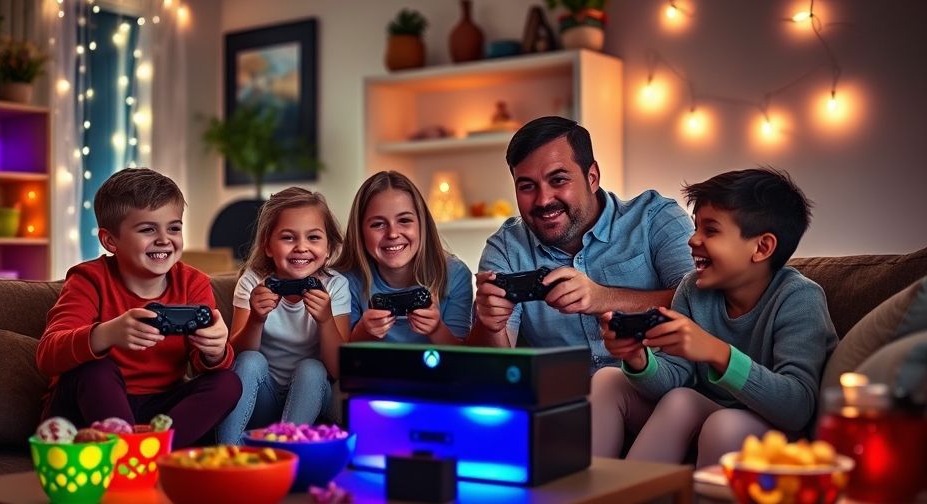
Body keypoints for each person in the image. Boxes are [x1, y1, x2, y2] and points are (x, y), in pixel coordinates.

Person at [590, 167, 838, 467]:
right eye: (696, 228)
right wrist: (638, 359)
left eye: (710, 230)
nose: (693, 240)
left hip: (776, 434)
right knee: (610, 381)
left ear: (762, 247)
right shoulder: (693, 289)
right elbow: (672, 381)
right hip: (705, 412)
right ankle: (598, 494)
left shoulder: (799, 298)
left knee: (724, 425)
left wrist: (717, 352)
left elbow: (797, 407)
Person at [468, 116, 695, 372]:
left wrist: (603, 298)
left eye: (558, 180)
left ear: (592, 177)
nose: (543, 200)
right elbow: (495, 369)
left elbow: (701, 307)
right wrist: (489, 323)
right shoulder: (507, 248)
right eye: (527, 186)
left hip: (659, 394)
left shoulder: (657, 219)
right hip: (562, 402)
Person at [37, 168, 240, 448]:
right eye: (148, 229)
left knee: (227, 383)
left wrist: (215, 350)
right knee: (94, 369)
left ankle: (152, 452)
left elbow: (207, 364)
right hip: (87, 410)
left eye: (174, 228)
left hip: (159, 411)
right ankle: (134, 454)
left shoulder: (193, 282)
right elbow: (47, 355)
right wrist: (106, 334)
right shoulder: (88, 279)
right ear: (110, 241)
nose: (164, 239)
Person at [217, 187, 350, 444]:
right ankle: (226, 454)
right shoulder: (253, 282)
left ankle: (285, 453)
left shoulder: (335, 286)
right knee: (251, 361)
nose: (301, 247)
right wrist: (256, 319)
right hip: (262, 396)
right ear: (268, 246)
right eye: (288, 238)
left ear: (329, 247)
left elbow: (336, 369)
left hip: (310, 396)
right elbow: (234, 358)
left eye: (313, 238)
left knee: (312, 368)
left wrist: (325, 320)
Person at [334, 171, 472, 344]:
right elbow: (341, 360)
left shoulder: (455, 275)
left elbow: (462, 361)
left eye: (404, 220)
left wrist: (437, 329)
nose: (392, 234)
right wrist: (363, 331)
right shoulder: (345, 281)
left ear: (422, 225)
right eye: (378, 224)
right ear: (359, 232)